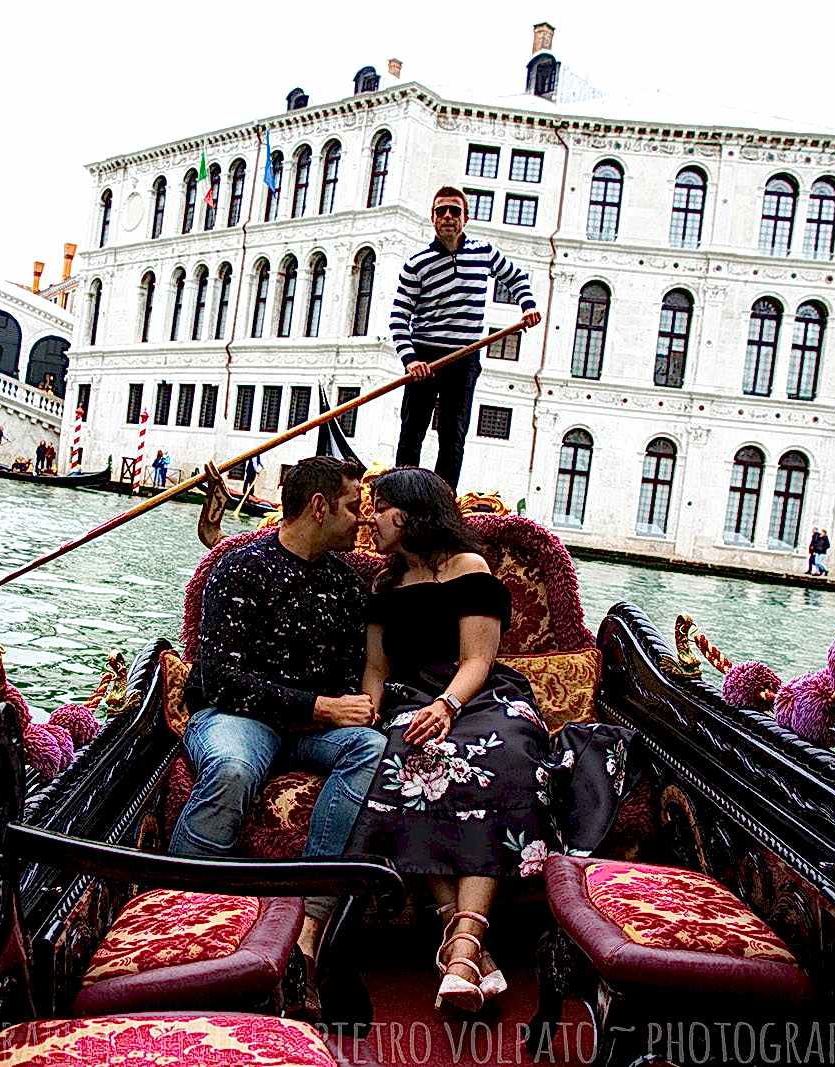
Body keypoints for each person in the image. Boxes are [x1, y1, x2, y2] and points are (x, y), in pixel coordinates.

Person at [347, 467, 554, 1012]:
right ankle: (465, 947)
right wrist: (370, 716)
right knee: (406, 761)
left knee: (504, 754)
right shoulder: (383, 587)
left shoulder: (468, 568)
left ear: (413, 513)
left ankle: (462, 942)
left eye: (381, 506)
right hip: (409, 700)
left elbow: (478, 659)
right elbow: (375, 668)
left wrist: (447, 705)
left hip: (474, 696)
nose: (372, 516)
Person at [173, 457, 384, 979]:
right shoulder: (242, 567)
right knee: (233, 768)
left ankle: (310, 916)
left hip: (311, 731)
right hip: (237, 717)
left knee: (370, 748)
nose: (360, 519)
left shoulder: (346, 586)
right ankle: (181, 906)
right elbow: (222, 678)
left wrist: (352, 707)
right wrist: (319, 707)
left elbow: (354, 673)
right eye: (353, 507)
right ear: (318, 507)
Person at [390, 186, 542, 489]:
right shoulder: (416, 264)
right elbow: (398, 316)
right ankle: (401, 498)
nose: (448, 216)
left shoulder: (484, 253)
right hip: (425, 357)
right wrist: (411, 360)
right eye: (441, 211)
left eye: (455, 211)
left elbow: (516, 276)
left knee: (453, 436)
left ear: (466, 217)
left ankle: (442, 504)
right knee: (411, 432)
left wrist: (528, 305)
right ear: (433, 218)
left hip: (464, 357)